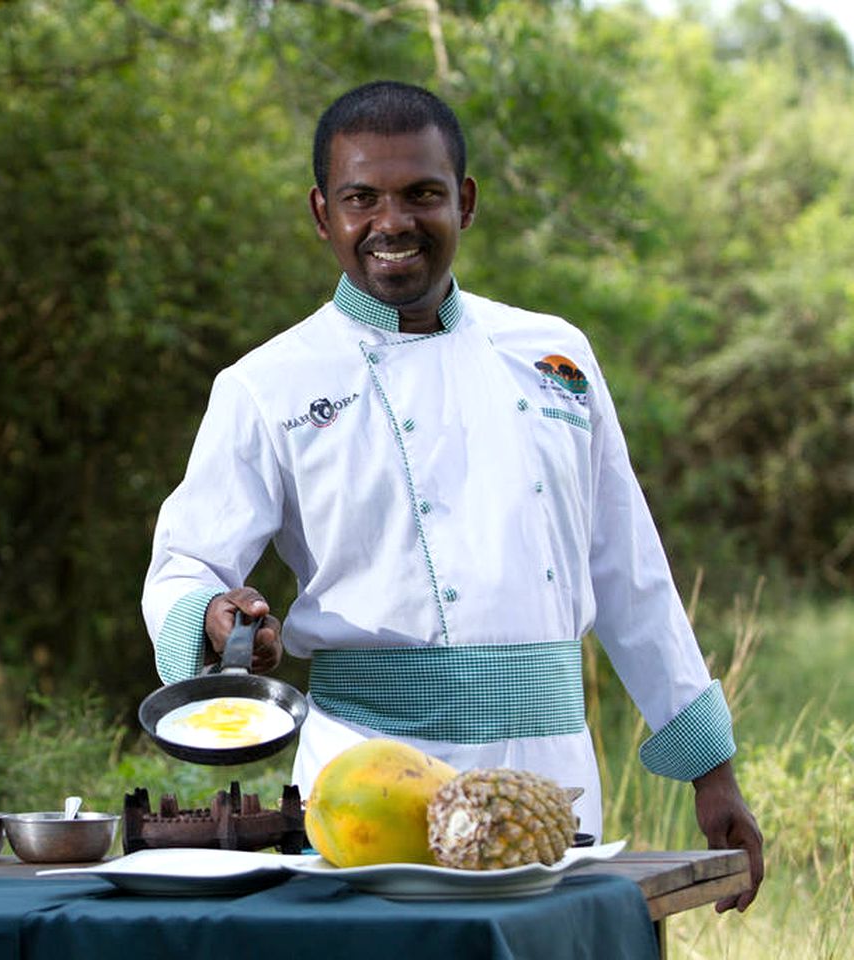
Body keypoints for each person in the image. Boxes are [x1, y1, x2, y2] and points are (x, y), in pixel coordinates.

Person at [141, 80, 763, 910]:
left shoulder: (555, 357)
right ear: (322, 213)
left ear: (463, 203)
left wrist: (709, 771)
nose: (391, 223)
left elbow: (629, 570)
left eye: (421, 194)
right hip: (361, 781)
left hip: (550, 780)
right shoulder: (265, 383)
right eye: (361, 198)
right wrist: (215, 617)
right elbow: (186, 560)